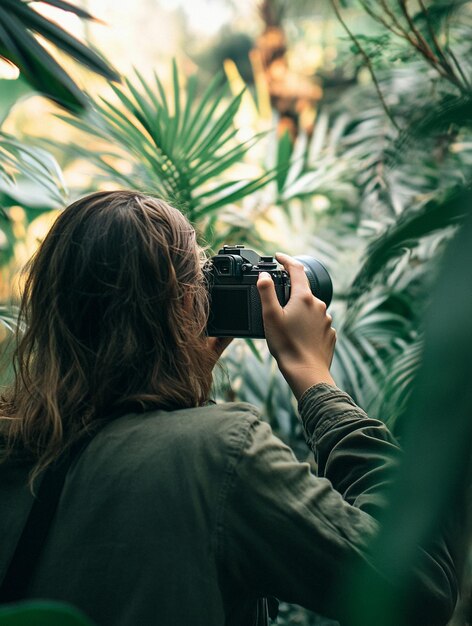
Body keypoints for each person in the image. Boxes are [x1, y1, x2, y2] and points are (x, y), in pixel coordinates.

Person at [0, 190, 457, 626]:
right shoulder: (219, 455)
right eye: (200, 279)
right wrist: (315, 379)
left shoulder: (12, 444)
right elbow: (417, 585)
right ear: (185, 303)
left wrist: (186, 371)